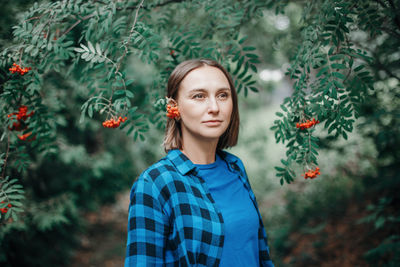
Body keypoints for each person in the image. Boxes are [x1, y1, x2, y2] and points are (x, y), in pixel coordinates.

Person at [125, 59, 274, 266]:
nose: (214, 107)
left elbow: (259, 252)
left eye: (223, 95)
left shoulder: (235, 167)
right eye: (199, 96)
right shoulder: (155, 183)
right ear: (174, 107)